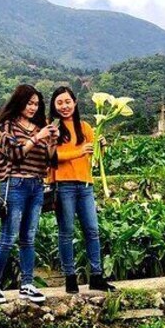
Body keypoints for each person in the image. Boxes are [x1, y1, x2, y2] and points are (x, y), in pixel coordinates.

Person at [0, 84, 57, 304]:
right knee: (8, 237)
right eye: (29, 103)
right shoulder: (4, 125)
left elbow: (49, 160)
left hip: (36, 185)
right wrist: (37, 137)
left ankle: (27, 284)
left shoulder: (39, 126)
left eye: (36, 104)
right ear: (19, 102)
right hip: (14, 184)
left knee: (29, 238)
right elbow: (15, 153)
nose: (33, 108)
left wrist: (51, 141)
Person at [48, 86, 116, 294]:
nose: (64, 106)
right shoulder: (52, 128)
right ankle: (70, 278)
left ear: (75, 103)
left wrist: (101, 146)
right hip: (63, 185)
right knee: (66, 232)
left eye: (67, 101)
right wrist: (78, 151)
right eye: (59, 103)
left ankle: (96, 276)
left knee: (92, 231)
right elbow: (51, 157)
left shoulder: (85, 127)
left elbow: (95, 158)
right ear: (54, 106)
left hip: (85, 185)